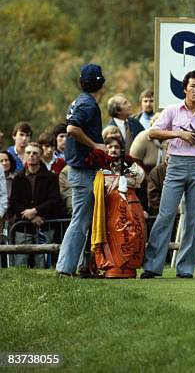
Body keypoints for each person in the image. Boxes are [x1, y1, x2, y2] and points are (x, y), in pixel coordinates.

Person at [140, 70, 195, 279]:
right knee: (166, 214)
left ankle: (185, 268)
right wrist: (178, 133)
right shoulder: (172, 110)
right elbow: (152, 133)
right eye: (193, 86)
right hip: (176, 164)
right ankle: (152, 266)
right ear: (185, 88)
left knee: (193, 218)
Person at [56, 64, 107, 277]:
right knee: (80, 220)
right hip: (82, 169)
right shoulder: (88, 104)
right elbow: (72, 128)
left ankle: (81, 266)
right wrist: (96, 145)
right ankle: (65, 268)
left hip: (79, 166)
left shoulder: (79, 100)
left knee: (85, 220)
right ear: (101, 83)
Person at [8, 142, 63, 268]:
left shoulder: (51, 177)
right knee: (20, 264)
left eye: (35, 153)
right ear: (24, 156)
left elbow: (54, 200)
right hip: (23, 227)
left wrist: (35, 210)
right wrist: (31, 216)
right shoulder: (18, 178)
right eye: (28, 153)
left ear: (40, 156)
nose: (31, 155)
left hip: (45, 225)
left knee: (43, 263)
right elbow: (14, 203)